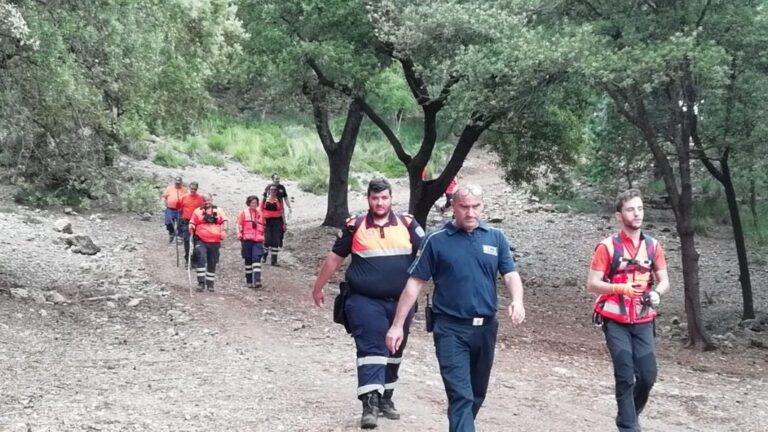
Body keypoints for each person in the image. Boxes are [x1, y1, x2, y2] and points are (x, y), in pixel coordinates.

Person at [386, 183, 525, 432]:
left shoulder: (496, 237)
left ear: (483, 207)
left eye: (475, 207)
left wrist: (517, 300)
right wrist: (397, 326)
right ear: (453, 207)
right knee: (461, 395)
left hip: (485, 329)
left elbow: (510, 273)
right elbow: (414, 284)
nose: (470, 213)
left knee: (476, 394)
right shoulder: (436, 241)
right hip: (450, 329)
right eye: (464, 207)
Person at [312, 178, 425, 429]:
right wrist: (318, 287)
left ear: (391, 198)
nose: (380, 202)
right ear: (368, 199)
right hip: (364, 300)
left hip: (401, 303)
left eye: (384, 197)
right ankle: (370, 403)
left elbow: (430, 252)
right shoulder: (355, 226)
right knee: (373, 347)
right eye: (375, 198)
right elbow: (334, 258)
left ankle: (386, 397)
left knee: (395, 350)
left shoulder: (407, 223)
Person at [586, 188, 670, 432]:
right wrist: (621, 288)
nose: (637, 214)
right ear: (619, 215)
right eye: (631, 209)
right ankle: (630, 427)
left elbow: (664, 281)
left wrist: (656, 293)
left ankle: (628, 416)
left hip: (644, 319)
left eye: (640, 208)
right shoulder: (607, 247)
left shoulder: (653, 246)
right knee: (625, 375)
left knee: (648, 376)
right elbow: (592, 284)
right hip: (614, 319)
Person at [188, 194, 228, 292]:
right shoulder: (197, 211)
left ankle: (210, 283)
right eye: (205, 200)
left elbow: (225, 221)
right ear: (202, 201)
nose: (207, 202)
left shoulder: (219, 210)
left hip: (214, 241)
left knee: (212, 261)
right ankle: (201, 282)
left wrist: (223, 231)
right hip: (201, 239)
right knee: (201, 257)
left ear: (212, 200)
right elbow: (192, 221)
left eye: (208, 200)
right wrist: (191, 226)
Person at [236, 195, 265, 289]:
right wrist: (239, 234)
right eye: (252, 202)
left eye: (256, 203)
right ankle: (249, 280)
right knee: (248, 260)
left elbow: (264, 225)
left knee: (256, 258)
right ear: (249, 203)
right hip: (247, 239)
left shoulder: (261, 213)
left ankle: (257, 280)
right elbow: (239, 224)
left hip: (258, 240)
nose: (254, 204)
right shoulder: (243, 213)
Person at [178, 181, 204, 264]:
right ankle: (187, 260)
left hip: (197, 223)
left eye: (195, 189)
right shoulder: (184, 197)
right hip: (186, 222)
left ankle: (195, 260)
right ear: (189, 188)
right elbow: (180, 210)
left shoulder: (200, 198)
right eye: (192, 189)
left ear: (197, 189)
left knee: (197, 241)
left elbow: (203, 210)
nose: (193, 190)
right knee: (187, 241)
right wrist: (179, 222)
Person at [261, 184, 287, 266]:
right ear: (269, 191)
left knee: (276, 240)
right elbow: (260, 210)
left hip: (277, 221)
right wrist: (262, 220)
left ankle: (274, 260)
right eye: (271, 190)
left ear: (276, 192)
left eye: (274, 190)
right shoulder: (265, 199)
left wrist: (284, 222)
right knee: (267, 239)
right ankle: (264, 255)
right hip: (267, 221)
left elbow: (282, 211)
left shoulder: (279, 200)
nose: (273, 191)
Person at [161, 176, 188, 242]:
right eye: (176, 183)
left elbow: (188, 199)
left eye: (179, 183)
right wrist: (162, 204)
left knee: (180, 223)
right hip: (170, 208)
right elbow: (164, 197)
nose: (177, 184)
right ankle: (171, 233)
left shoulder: (185, 190)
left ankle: (180, 237)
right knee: (168, 222)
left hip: (180, 209)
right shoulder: (169, 188)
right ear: (174, 182)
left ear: (181, 183)